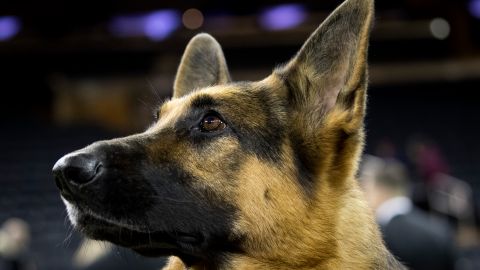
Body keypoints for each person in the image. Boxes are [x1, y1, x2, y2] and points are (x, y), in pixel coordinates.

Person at [360, 155, 456, 270]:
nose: (363, 196)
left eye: (366, 189)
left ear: (381, 190)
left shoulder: (374, 239)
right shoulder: (441, 230)